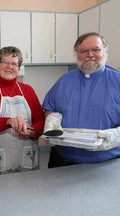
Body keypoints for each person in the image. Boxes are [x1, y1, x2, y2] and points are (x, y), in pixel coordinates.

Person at [42, 32, 120, 168]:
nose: (90, 54)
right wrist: (51, 118)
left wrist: (116, 136)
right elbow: (49, 107)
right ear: (77, 54)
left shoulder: (117, 81)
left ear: (105, 52)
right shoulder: (64, 81)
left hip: (106, 166)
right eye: (84, 50)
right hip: (62, 162)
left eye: (96, 49)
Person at [0, 46, 45, 176]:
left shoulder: (28, 90)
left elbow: (41, 121)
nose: (9, 67)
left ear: (19, 68)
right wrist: (8, 121)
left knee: (28, 189)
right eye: (5, 62)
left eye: (14, 63)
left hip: (26, 152)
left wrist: (31, 131)